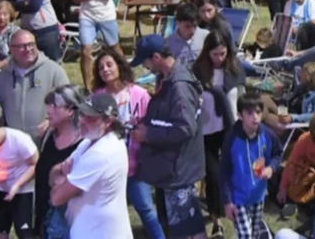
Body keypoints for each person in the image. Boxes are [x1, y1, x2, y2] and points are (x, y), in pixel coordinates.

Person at [130, 34, 207, 239]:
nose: (144, 67)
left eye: (145, 61)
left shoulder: (178, 86)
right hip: (174, 167)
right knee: (188, 225)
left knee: (186, 229)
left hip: (179, 170)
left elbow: (185, 128)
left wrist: (149, 134)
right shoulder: (169, 78)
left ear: (156, 57)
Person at [91, 48, 163, 239]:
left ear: (119, 66)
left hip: (135, 165)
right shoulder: (96, 98)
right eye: (100, 68)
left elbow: (151, 123)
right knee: (109, 214)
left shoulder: (138, 94)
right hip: (108, 167)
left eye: (109, 65)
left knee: (146, 209)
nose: (105, 70)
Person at [50, 93, 135, 239]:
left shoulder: (100, 153)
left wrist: (61, 180)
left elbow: (57, 198)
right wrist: (63, 178)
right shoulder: (89, 142)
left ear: (108, 121)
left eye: (90, 117)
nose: (82, 120)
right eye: (82, 114)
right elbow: (55, 170)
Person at [193, 29, 245, 238]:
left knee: (228, 173)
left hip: (228, 129)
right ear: (207, 53)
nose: (219, 58)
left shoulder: (234, 68)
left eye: (223, 53)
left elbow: (241, 96)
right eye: (215, 54)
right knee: (214, 176)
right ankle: (216, 221)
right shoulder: (198, 71)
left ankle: (226, 208)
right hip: (205, 132)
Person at [0, 29, 70, 143]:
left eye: (31, 44)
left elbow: (69, 103)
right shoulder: (3, 76)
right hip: (16, 143)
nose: (28, 49)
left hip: (46, 140)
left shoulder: (54, 71)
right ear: (11, 49)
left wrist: (51, 122)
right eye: (22, 46)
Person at [219, 92, 282, 239]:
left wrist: (271, 167)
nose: (255, 117)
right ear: (240, 115)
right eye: (249, 113)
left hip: (259, 195)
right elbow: (224, 173)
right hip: (238, 198)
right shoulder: (231, 140)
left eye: (258, 112)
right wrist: (228, 201)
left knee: (254, 233)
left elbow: (278, 153)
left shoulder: (268, 134)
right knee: (246, 236)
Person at [34, 85, 84, 238]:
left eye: (54, 106)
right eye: (48, 105)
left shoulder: (84, 145)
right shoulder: (47, 135)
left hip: (71, 223)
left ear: (70, 110)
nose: (48, 110)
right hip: (45, 218)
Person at [4, 0, 62, 65]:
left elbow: (34, 5)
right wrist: (23, 4)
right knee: (31, 63)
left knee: (53, 62)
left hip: (46, 29)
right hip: (29, 31)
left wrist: (16, 5)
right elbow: (10, 6)